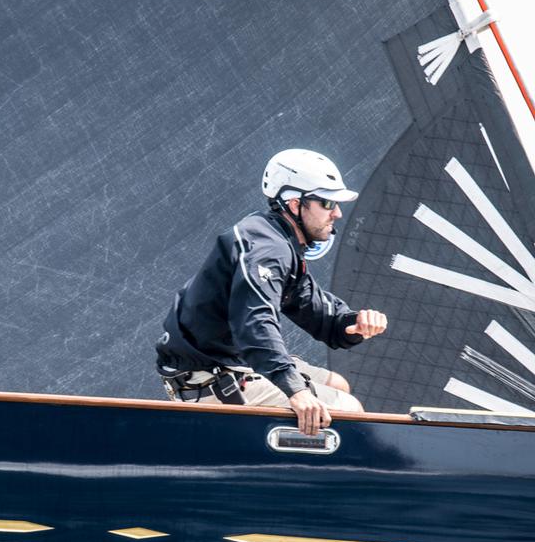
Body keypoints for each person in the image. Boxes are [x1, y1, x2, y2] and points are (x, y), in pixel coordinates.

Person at [155, 148, 387, 435]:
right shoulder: (268, 249)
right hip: (212, 378)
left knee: (337, 385)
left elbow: (315, 311)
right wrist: (295, 390)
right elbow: (255, 322)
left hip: (232, 363)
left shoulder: (279, 239)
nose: (337, 213)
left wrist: (353, 324)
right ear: (294, 204)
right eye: (327, 202)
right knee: (349, 410)